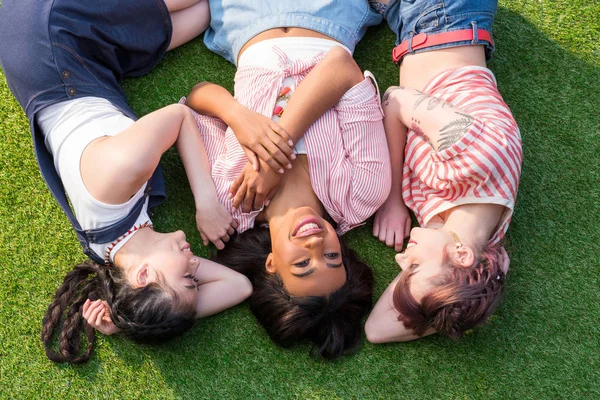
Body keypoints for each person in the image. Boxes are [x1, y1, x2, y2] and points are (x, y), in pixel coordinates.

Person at [0, 0, 252, 363]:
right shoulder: (115, 249)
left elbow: (180, 117)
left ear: (145, 274)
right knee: (213, 12)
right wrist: (127, 320)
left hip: (49, 33)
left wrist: (207, 202)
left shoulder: (117, 178)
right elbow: (238, 285)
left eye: (187, 279)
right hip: (86, 65)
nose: (196, 266)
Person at [181, 0, 391, 358]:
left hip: (243, 20)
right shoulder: (362, 193)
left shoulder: (229, 203)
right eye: (332, 257)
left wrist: (236, 115)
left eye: (303, 264)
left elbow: (197, 98)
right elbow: (340, 66)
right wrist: (272, 159)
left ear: (271, 265)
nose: (316, 245)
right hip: (329, 15)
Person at [364, 0, 522, 343]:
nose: (400, 256)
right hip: (444, 12)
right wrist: (392, 200)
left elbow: (375, 331)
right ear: (461, 255)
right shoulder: (477, 159)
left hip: (407, 23)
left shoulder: (476, 237)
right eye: (414, 267)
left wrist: (448, 308)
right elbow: (394, 100)